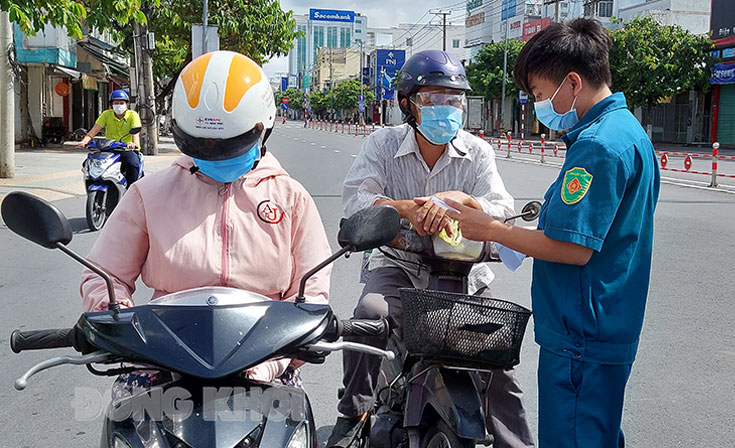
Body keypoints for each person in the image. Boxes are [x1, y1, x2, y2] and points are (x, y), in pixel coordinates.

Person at [441, 19, 660, 447]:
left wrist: (491, 230)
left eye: (540, 94)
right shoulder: (627, 133)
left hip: (581, 334)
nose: (539, 104)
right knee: (595, 434)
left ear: (572, 83)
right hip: (604, 324)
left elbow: (572, 247)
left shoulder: (598, 145)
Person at [80, 50, 332, 383]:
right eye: (202, 145)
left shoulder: (291, 198)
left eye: (229, 144)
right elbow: (104, 273)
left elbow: (312, 289)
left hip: (268, 359)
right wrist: (114, 314)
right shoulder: (148, 195)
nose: (215, 153)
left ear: (263, 129)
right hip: (161, 360)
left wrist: (276, 360)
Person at [328, 50, 535, 448]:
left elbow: (503, 209)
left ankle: (517, 443)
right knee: (370, 317)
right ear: (407, 104)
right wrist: (407, 210)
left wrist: (464, 203)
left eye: (454, 100)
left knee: (499, 357)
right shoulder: (382, 144)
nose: (446, 109)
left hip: (465, 276)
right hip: (399, 267)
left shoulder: (478, 152)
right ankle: (352, 412)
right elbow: (356, 200)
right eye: (434, 100)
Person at [78, 89, 143, 187]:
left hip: (126, 150)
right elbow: (94, 130)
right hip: (109, 150)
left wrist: (134, 144)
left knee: (133, 164)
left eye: (122, 103)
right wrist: (84, 141)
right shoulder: (106, 114)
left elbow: (136, 133)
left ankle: (131, 190)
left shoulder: (133, 115)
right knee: (87, 163)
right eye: (116, 103)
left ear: (127, 105)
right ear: (111, 105)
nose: (119, 105)